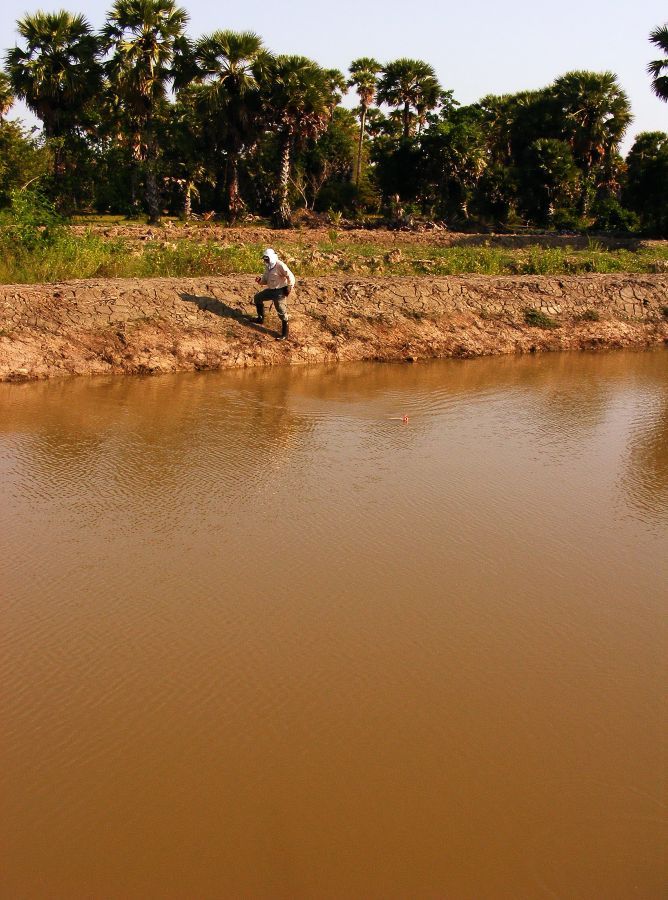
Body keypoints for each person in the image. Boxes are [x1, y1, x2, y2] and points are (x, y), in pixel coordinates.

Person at [252, 248, 295, 340]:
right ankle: (260, 318)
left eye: (266, 258)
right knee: (258, 298)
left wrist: (289, 286)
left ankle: (285, 334)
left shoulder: (280, 265)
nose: (265, 260)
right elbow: (265, 280)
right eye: (264, 259)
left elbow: (290, 276)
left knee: (281, 311)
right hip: (271, 290)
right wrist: (260, 281)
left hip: (280, 292)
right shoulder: (268, 267)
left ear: (271, 257)